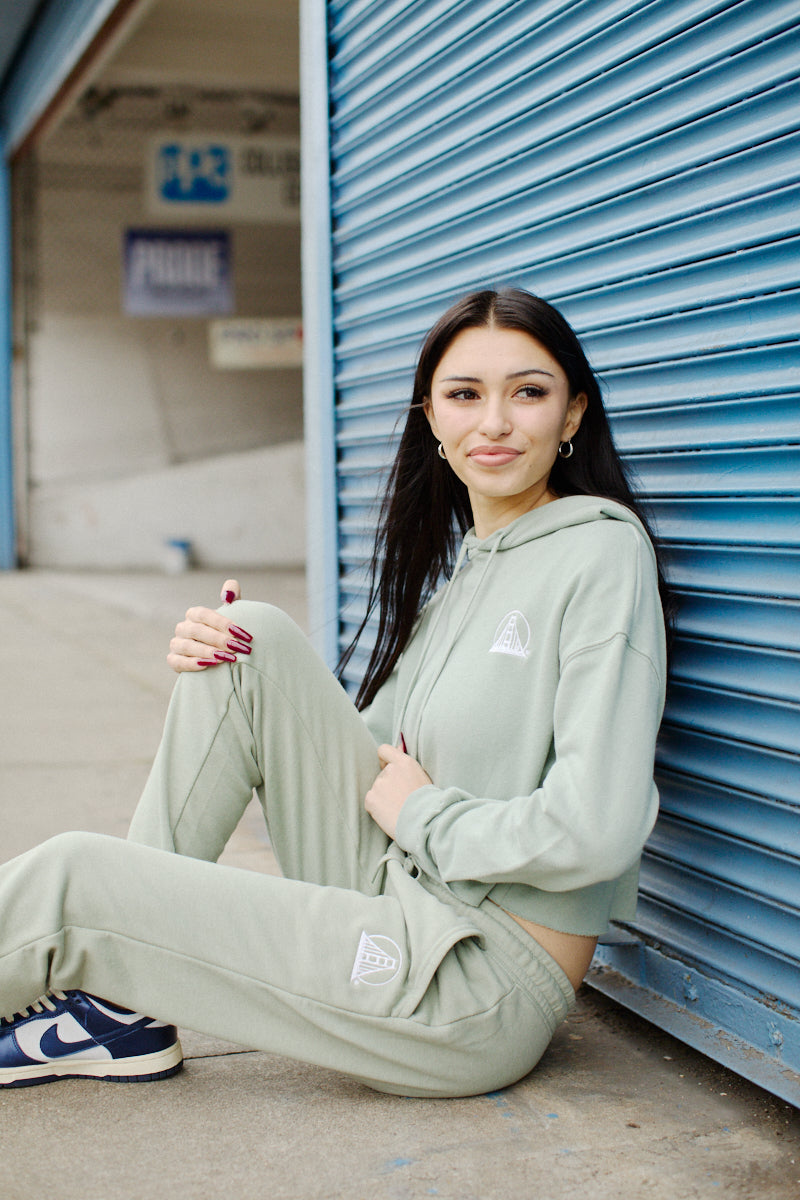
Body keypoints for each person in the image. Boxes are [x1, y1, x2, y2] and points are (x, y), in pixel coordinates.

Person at [0, 288, 668, 1097]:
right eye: (465, 395)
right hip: (398, 891)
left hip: (474, 983)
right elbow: (369, 765)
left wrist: (427, 817)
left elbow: (599, 828)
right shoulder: (466, 572)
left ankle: (112, 982)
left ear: (571, 417)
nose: (494, 422)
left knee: (74, 880)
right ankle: (121, 1004)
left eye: (528, 392)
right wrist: (226, 653)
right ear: (432, 419)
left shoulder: (600, 556)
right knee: (252, 638)